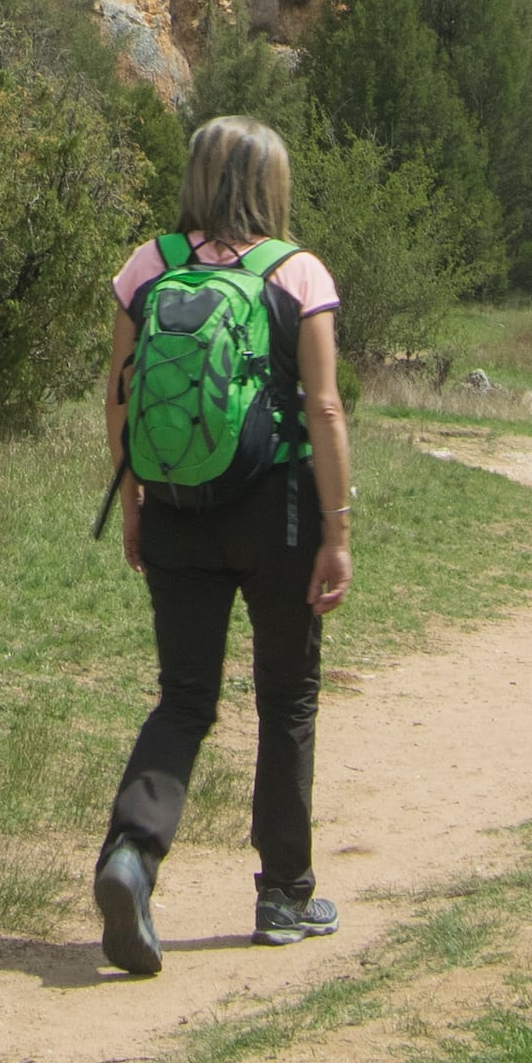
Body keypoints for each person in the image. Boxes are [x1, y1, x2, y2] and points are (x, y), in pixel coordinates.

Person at [92, 112, 354, 976]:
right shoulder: (297, 272)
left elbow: (120, 397)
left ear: (199, 179)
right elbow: (323, 409)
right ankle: (284, 896)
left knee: (183, 700)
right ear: (271, 185)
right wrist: (337, 530)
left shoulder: (149, 265)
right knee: (285, 699)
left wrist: (134, 505)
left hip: (173, 504)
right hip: (275, 508)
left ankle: (132, 856)